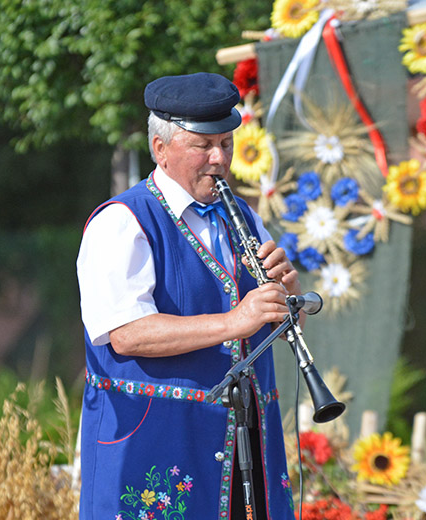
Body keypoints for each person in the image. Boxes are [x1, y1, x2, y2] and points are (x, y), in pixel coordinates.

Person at [76, 72, 300, 520]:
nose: (219, 159)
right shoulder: (122, 222)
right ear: (160, 149)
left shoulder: (246, 218)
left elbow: (268, 327)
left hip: (243, 446)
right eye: (202, 146)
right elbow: (126, 334)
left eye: (226, 144)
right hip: (154, 444)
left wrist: (287, 300)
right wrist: (236, 320)